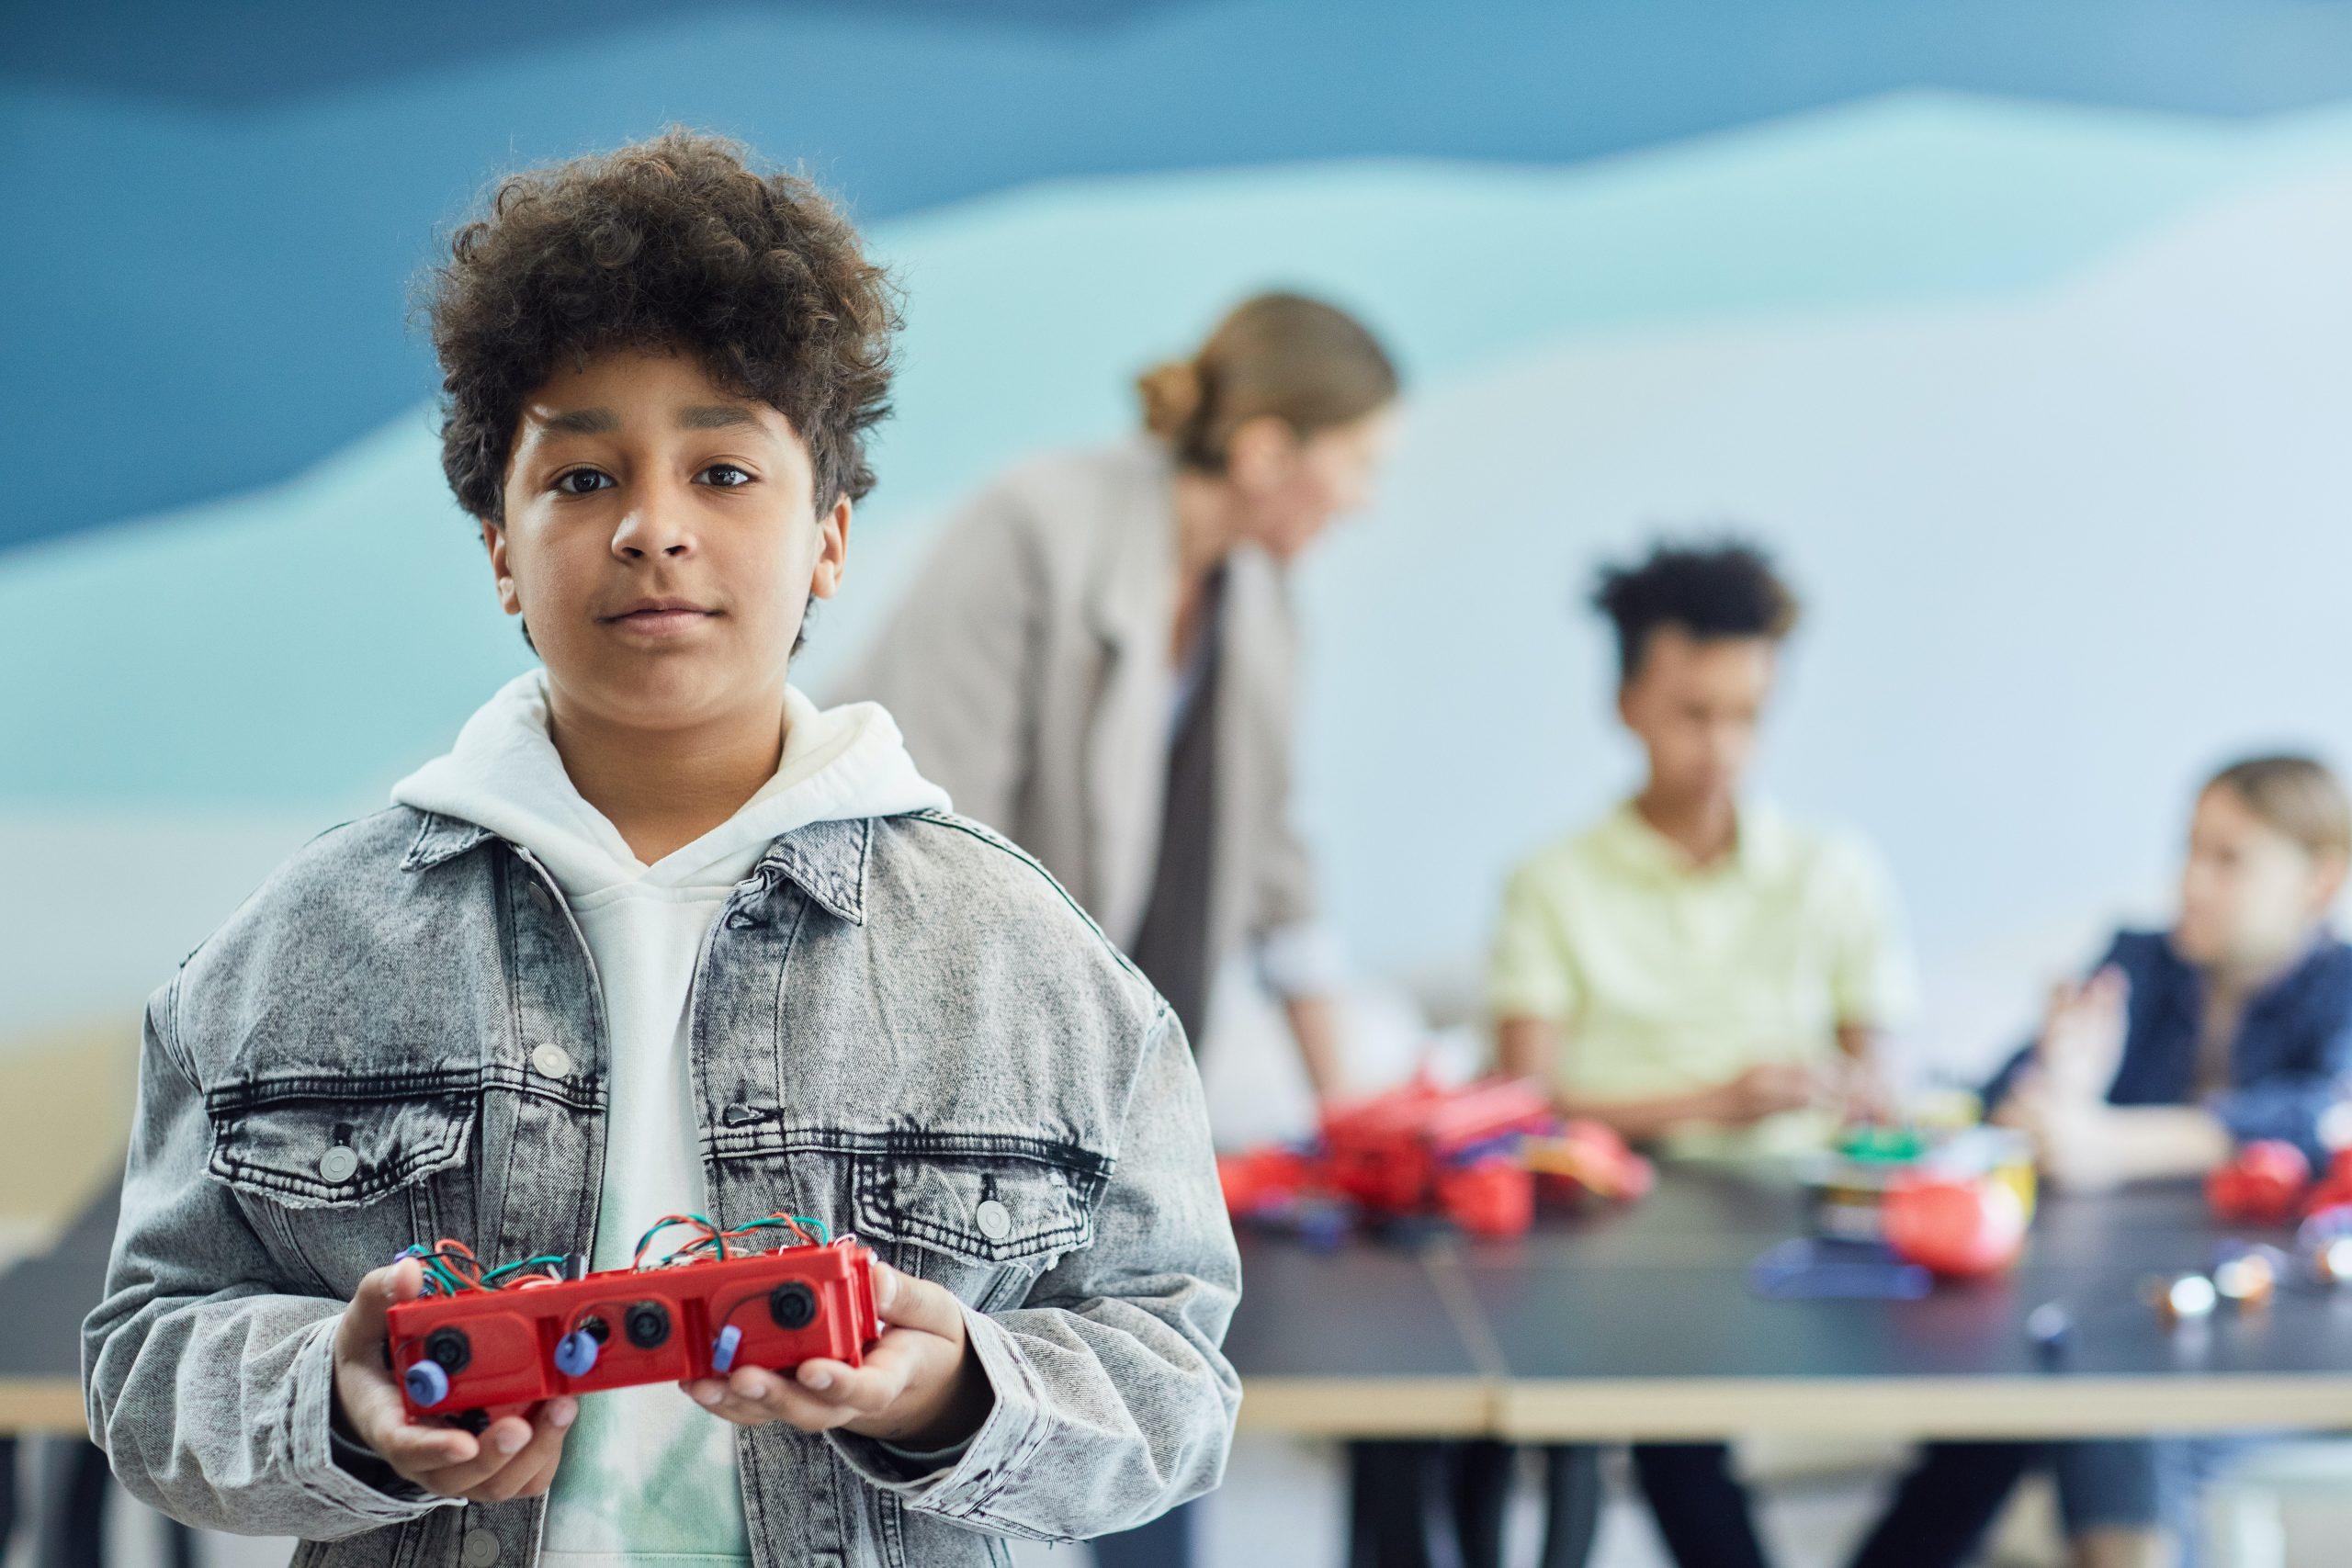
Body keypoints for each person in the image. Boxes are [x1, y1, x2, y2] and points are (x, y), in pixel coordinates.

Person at [80, 130, 1240, 1568]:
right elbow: (147, 1357)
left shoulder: (1028, 960)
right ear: (498, 545)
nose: (652, 528)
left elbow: (1177, 1379)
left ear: (830, 534)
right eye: (579, 478)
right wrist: (335, 1395)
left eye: (725, 469)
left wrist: (952, 1387)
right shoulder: (297, 946)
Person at [837, 289, 1398, 1566]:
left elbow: (1277, 861)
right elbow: (920, 830)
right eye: (1356, 461)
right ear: (1266, 448)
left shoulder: (1261, 602)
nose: (1363, 498)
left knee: (1140, 1411)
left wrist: (1352, 1112)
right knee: (908, 1443)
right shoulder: (1035, 528)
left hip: (1112, 1096)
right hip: (945, 1080)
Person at [1481, 539, 1916, 1568]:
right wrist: (1713, 1102)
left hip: (1809, 1216)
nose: (1721, 746)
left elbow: (1883, 1084)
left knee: (2014, 1408)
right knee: (1669, 1395)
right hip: (1621, 1224)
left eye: (1747, 716)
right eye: (1693, 713)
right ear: (1627, 704)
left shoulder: (1835, 870)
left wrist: (1864, 1100)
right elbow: (1521, 1106)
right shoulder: (1551, 883)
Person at [1850, 754, 2352, 1568]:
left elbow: (2314, 1117)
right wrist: (2056, 1083)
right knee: (2006, 1411)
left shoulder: (2344, 989)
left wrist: (2106, 1141)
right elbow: (2003, 1102)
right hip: (2115, 1311)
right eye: (2190, 849)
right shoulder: (2139, 961)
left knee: (2113, 1412)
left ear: (2318, 880)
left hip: (2280, 1334)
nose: (2192, 880)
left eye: (2230, 859)